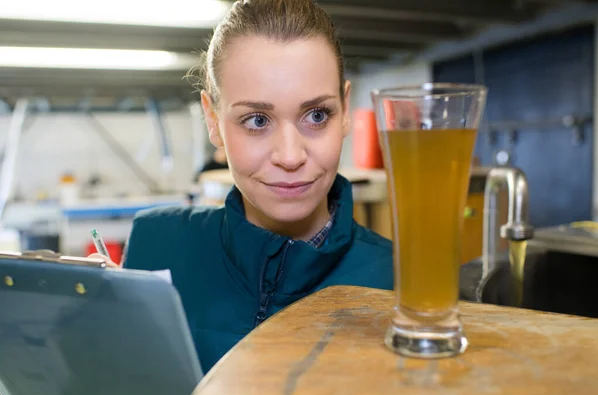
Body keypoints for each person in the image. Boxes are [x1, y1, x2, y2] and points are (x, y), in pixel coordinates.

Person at [91, 0, 393, 373]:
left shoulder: (399, 280)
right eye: (256, 120)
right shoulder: (157, 246)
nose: (289, 155)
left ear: (345, 111)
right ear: (213, 119)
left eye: (316, 115)